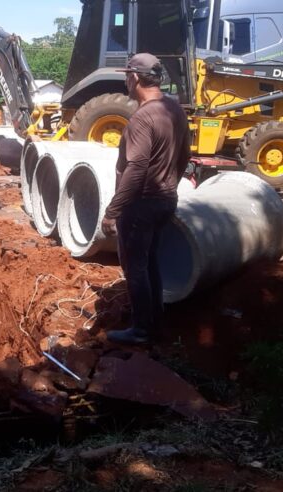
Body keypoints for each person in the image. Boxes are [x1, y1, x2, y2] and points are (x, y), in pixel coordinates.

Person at [101, 53, 191, 345]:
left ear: (136, 78)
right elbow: (185, 155)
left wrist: (113, 211)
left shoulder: (142, 117)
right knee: (150, 260)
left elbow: (136, 167)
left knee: (135, 266)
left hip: (141, 204)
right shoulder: (173, 109)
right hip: (165, 199)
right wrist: (170, 185)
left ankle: (141, 330)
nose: (126, 80)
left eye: (127, 75)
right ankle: (155, 319)